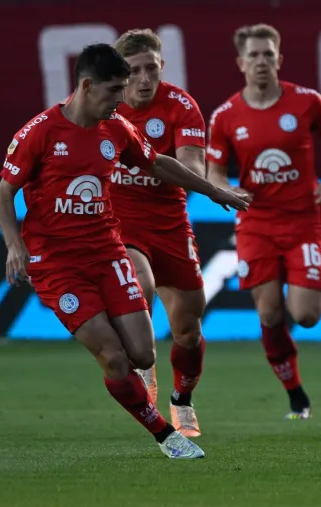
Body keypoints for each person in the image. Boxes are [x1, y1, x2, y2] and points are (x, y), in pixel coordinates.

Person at [0, 43, 249, 459]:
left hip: (107, 253)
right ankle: (167, 436)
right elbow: (3, 195)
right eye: (114, 91)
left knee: (143, 353)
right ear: (87, 86)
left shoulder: (116, 129)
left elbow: (160, 164)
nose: (121, 99)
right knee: (112, 357)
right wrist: (14, 245)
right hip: (57, 264)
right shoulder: (39, 132)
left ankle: (156, 394)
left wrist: (214, 191)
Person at [205, 23, 321, 420]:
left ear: (279, 59)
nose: (262, 61)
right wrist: (225, 189)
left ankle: (311, 288)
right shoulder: (226, 116)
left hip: (303, 220)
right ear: (241, 63)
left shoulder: (306, 102)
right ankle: (295, 394)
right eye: (254, 55)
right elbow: (213, 171)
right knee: (268, 314)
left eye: (269, 54)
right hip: (257, 224)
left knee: (306, 315)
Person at [111, 29, 208, 437]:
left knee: (188, 328)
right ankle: (145, 363)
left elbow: (193, 170)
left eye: (152, 68)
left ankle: (182, 401)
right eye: (135, 71)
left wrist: (149, 161)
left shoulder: (182, 106)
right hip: (119, 220)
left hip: (169, 223)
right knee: (140, 282)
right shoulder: (104, 107)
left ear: (162, 66)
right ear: (121, 74)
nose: (145, 78)